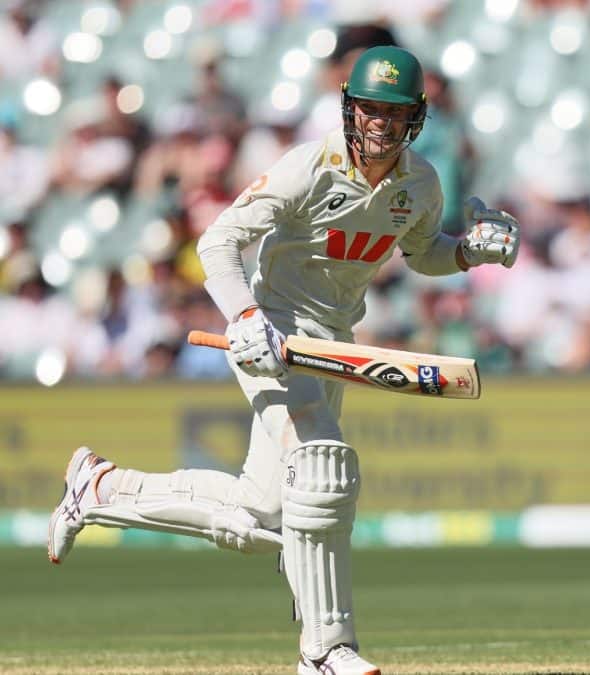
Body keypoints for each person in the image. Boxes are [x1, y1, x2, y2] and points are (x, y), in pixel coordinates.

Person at [46, 46, 520, 675]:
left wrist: (466, 254)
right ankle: (325, 651)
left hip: (334, 345)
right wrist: (246, 319)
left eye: (394, 112)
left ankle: (99, 488)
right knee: (324, 468)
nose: (380, 123)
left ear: (416, 119)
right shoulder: (310, 167)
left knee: (260, 512)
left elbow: (421, 250)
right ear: (351, 109)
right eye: (370, 109)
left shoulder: (420, 183)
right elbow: (219, 241)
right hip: (272, 335)